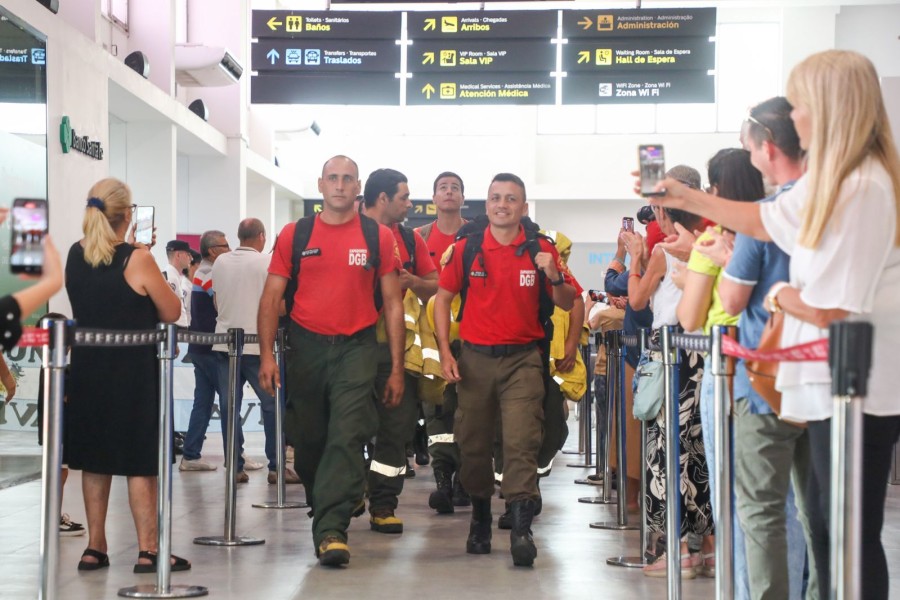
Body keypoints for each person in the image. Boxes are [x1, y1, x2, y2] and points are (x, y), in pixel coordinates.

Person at [649, 49, 900, 599]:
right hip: (819, 386)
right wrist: (688, 198)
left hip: (853, 386)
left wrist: (785, 295)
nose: (796, 117)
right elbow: (763, 218)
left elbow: (836, 307)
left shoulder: (863, 186)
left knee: (844, 537)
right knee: (825, 530)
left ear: (830, 109)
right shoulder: (834, 181)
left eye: (802, 104)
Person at [257, 155, 405, 567]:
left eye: (348, 179)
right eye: (333, 178)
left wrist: (395, 366)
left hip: (357, 347)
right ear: (321, 185)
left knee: (346, 434)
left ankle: (330, 530)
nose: (340, 185)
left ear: (358, 188)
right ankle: (330, 502)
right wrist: (266, 355)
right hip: (305, 349)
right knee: (308, 445)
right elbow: (271, 299)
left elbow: (393, 304)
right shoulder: (295, 234)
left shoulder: (378, 237)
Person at [434, 172, 578, 567]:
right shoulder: (467, 248)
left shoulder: (541, 248)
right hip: (475, 360)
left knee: (521, 441)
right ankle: (480, 516)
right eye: (496, 198)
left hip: (523, 360)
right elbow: (442, 299)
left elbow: (568, 300)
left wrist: (553, 273)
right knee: (474, 444)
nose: (502, 204)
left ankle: (520, 527)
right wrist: (446, 351)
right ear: (487, 204)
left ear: (523, 207)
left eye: (511, 199)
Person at [712, 97, 811, 600]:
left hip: (766, 383)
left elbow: (732, 298)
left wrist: (729, 258)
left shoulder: (765, 216)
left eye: (750, 149)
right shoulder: (832, 206)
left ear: (768, 148)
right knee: (821, 515)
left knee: (762, 511)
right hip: (829, 380)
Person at [64, 178, 189, 573]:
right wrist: (145, 258)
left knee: (95, 460)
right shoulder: (136, 258)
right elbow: (171, 312)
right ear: (128, 215)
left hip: (87, 368)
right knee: (140, 462)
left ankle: (94, 547)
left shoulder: (74, 254)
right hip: (132, 373)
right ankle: (148, 549)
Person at [675, 148, 765, 597]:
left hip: (727, 369)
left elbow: (691, 317)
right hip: (777, 367)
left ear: (716, 191)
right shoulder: (778, 227)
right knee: (777, 498)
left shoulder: (714, 241)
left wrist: (693, 265)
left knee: (735, 494)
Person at [621, 165, 715, 579]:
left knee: (666, 450)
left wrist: (636, 259)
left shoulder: (666, 249)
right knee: (700, 449)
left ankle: (676, 548)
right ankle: (708, 546)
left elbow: (638, 301)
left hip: (671, 351)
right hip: (702, 351)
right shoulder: (710, 240)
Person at [361, 168, 437, 533]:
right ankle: (345, 495)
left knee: (396, 428)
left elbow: (436, 285)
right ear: (382, 199)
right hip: (351, 346)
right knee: (346, 427)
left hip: (398, 352)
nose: (410, 203)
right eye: (404, 197)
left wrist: (415, 281)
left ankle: (383, 504)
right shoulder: (349, 233)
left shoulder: (410, 240)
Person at [212, 218, 299, 485]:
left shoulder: (220, 262)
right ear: (261, 237)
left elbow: (216, 300)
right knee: (273, 407)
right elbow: (278, 306)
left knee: (229, 406)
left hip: (224, 343)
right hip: (258, 346)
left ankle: (234, 466)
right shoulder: (266, 263)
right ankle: (277, 467)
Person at [416, 171, 470, 513]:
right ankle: (442, 479)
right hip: (429, 336)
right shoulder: (419, 238)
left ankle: (466, 478)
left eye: (455, 188)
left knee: (469, 410)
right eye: (443, 188)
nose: (449, 192)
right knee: (435, 412)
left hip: (470, 334)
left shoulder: (475, 235)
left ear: (463, 197)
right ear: (434, 198)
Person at [179, 230, 230, 472]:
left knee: (203, 402)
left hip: (200, 347)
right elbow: (222, 303)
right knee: (229, 400)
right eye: (225, 245)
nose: (229, 249)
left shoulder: (201, 272)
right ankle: (235, 457)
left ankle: (190, 454)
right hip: (210, 348)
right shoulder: (209, 273)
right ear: (212, 250)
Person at [162, 240, 192, 328]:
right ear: (178, 255)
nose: (190, 258)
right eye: (188, 254)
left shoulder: (173, 275)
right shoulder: (170, 277)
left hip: (177, 327)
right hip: (175, 327)